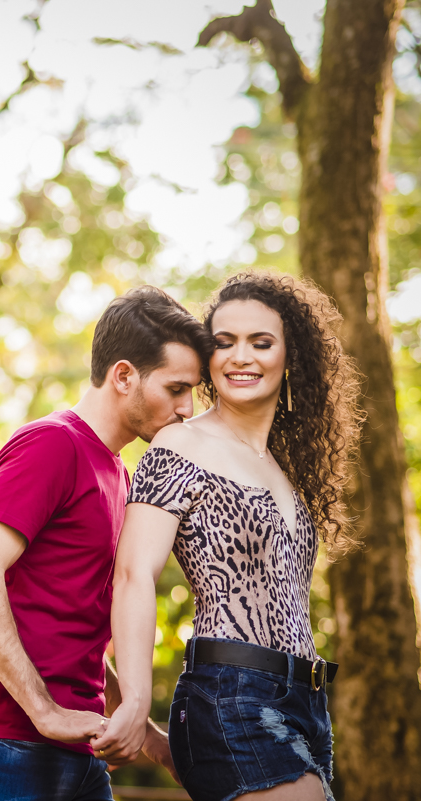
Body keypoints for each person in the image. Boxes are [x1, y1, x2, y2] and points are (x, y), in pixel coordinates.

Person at [0, 286, 212, 801]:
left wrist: (151, 740)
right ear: (124, 375)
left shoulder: (118, 473)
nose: (186, 408)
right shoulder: (51, 444)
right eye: (175, 388)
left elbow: (73, 637)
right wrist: (44, 712)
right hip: (1, 748)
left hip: (76, 750)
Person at [98, 272, 360, 801]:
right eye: (225, 343)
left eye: (261, 343)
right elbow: (133, 573)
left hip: (308, 705)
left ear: (291, 356)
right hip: (232, 696)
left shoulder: (286, 467)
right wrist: (135, 705)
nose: (242, 356)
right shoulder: (181, 442)